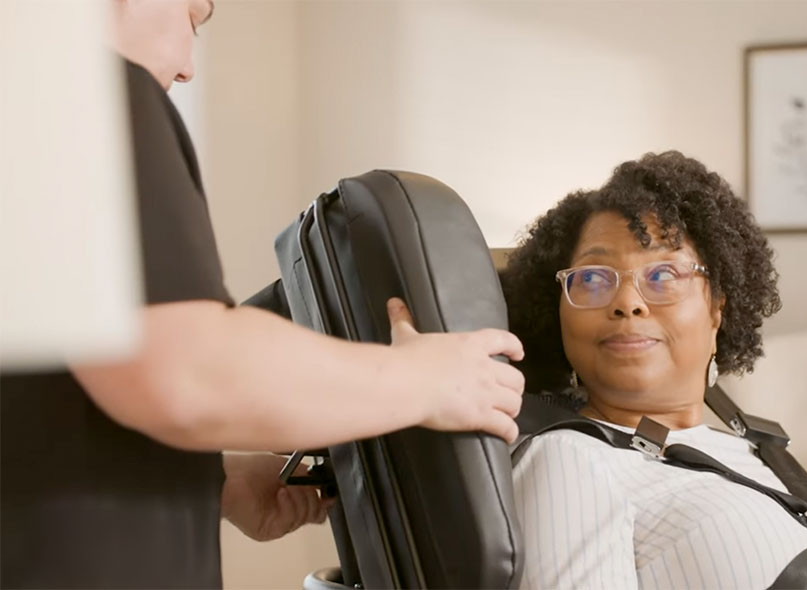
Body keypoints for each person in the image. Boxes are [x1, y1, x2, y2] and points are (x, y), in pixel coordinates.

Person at [0, 1, 524, 587]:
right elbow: (187, 372)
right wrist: (426, 380)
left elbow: (53, 398)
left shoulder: (24, 103)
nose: (187, 68)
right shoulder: (90, 87)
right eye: (193, 18)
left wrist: (214, 481)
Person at [500, 151, 807, 589]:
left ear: (717, 307)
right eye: (594, 278)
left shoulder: (759, 449)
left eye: (663, 275)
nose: (627, 302)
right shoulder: (569, 460)